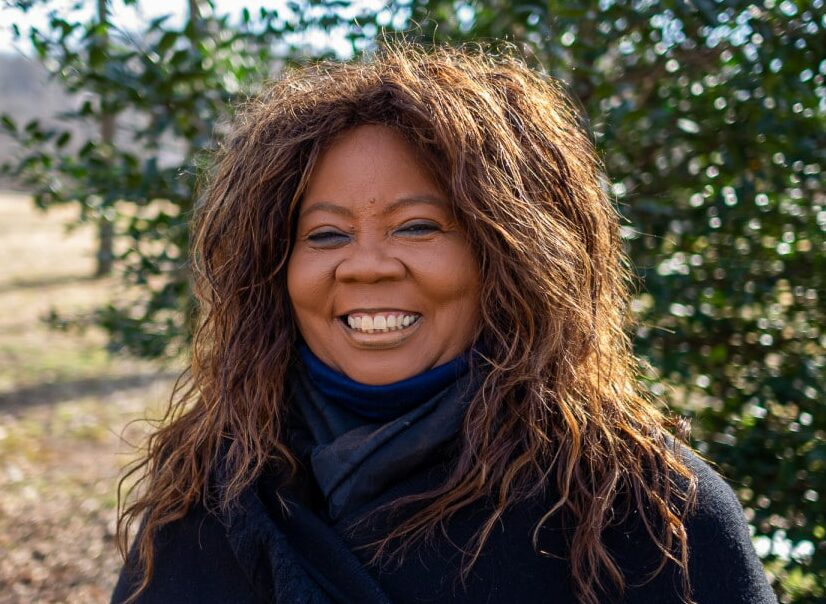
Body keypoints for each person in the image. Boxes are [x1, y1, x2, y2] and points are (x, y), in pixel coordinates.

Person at [111, 43, 776, 604]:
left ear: (511, 258)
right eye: (326, 234)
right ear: (274, 270)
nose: (365, 266)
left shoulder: (647, 516)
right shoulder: (205, 501)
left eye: (418, 226)